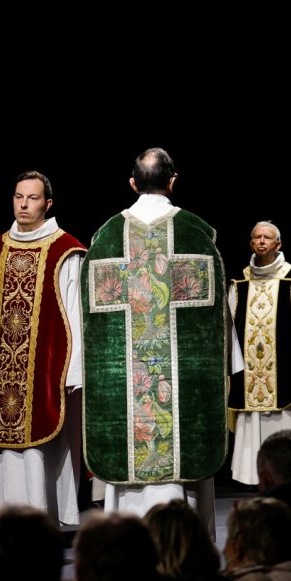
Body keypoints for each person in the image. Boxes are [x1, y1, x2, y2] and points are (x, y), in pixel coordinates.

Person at [81, 148, 226, 537]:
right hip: (182, 391)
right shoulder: (198, 233)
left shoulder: (105, 237)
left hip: (127, 394)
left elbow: (91, 330)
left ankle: (128, 542)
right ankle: (186, 545)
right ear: (173, 181)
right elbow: (217, 323)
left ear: (132, 183)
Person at [0, 171, 85, 525]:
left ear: (48, 203)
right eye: (18, 197)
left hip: (44, 369)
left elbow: (75, 313)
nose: (23, 204)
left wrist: (75, 371)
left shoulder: (66, 251)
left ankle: (39, 516)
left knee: (39, 445)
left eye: (32, 198)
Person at [228, 220, 291, 485]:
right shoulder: (239, 283)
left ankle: (288, 475)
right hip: (248, 372)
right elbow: (230, 329)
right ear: (251, 243)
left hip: (285, 370)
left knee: (285, 419)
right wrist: (231, 368)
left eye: (267, 238)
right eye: (256, 237)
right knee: (251, 420)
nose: (261, 241)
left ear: (278, 244)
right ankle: (252, 476)